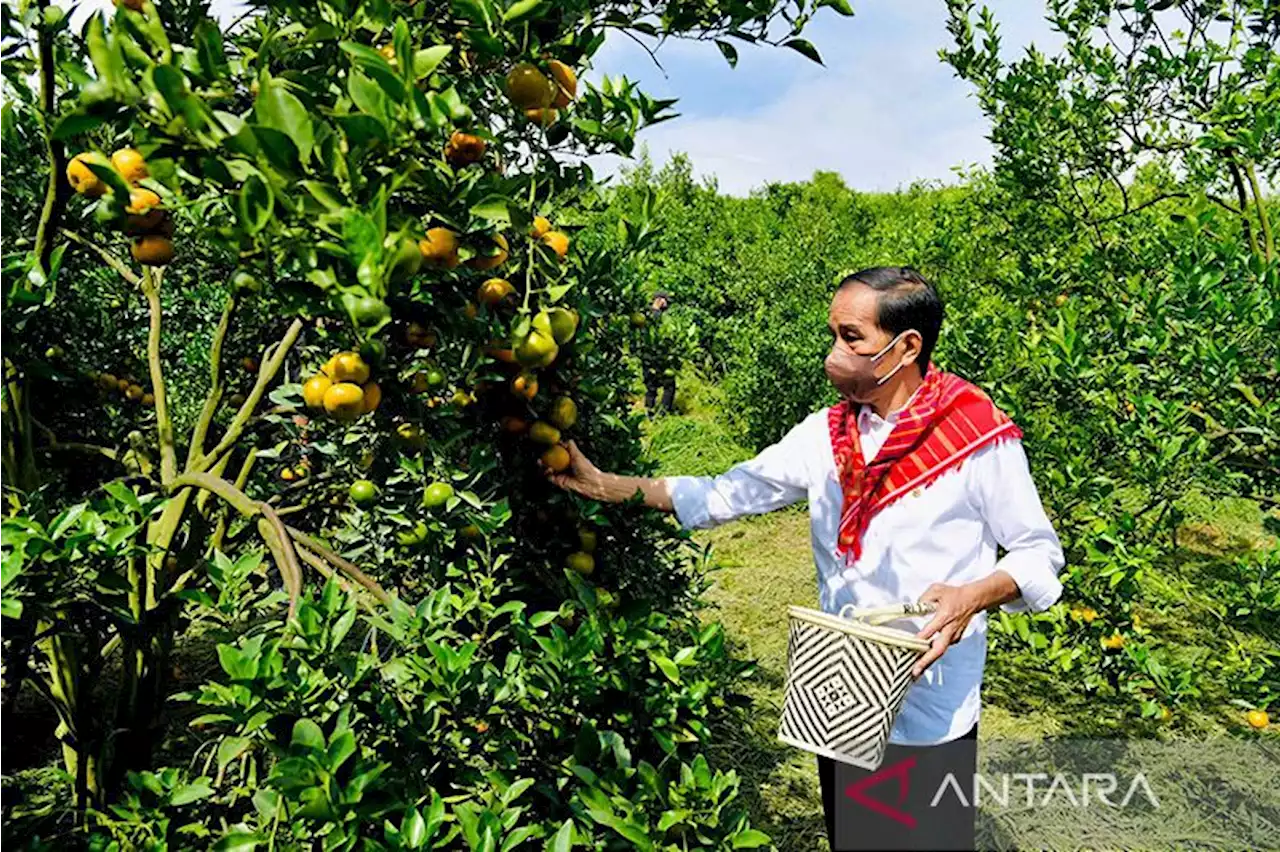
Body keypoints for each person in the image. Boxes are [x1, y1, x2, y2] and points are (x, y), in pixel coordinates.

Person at [540, 267, 1065, 851]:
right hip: (842, 687)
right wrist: (606, 484)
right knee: (855, 835)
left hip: (929, 696)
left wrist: (975, 595)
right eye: (833, 335)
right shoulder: (827, 433)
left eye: (852, 337)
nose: (835, 354)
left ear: (907, 346)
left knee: (924, 838)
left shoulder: (976, 435)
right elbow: (727, 492)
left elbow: (1038, 554)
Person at [637, 291, 678, 416]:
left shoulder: (643, 315)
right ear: (660, 300)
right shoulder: (657, 316)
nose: (667, 304)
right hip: (658, 356)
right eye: (665, 301)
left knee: (650, 387)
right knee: (669, 385)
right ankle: (663, 413)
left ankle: (649, 413)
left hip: (646, 355)